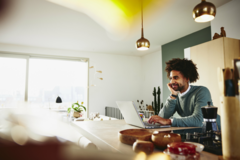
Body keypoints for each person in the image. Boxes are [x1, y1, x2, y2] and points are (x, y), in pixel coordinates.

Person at [148, 58, 213, 127]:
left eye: (176, 78)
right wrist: (173, 96)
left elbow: (199, 120)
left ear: (187, 78)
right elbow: (162, 117)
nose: (172, 82)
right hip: (191, 134)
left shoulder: (202, 91)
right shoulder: (176, 97)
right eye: (171, 78)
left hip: (214, 134)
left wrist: (169, 121)